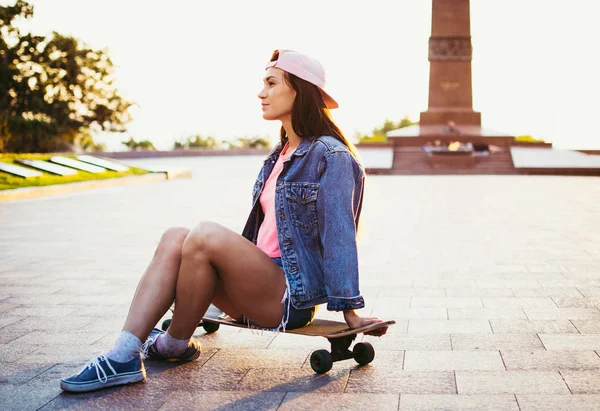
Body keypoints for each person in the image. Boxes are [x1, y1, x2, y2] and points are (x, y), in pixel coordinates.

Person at [60, 49, 387, 393]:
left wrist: (350, 312)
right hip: (253, 289)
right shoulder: (280, 154)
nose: (261, 93)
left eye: (271, 83)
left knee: (204, 235)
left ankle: (168, 344)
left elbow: (339, 237)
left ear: (299, 90)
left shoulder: (331, 156)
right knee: (176, 236)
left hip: (289, 297)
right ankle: (127, 353)